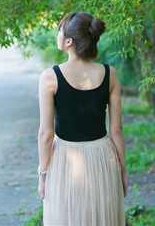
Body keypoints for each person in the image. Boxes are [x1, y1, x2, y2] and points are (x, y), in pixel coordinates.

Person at [37, 12, 127, 226]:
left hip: (65, 160)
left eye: (60, 30)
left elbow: (45, 134)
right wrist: (122, 171)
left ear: (69, 41)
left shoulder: (49, 77)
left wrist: (43, 174)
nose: (57, 34)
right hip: (103, 157)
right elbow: (116, 130)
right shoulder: (110, 73)